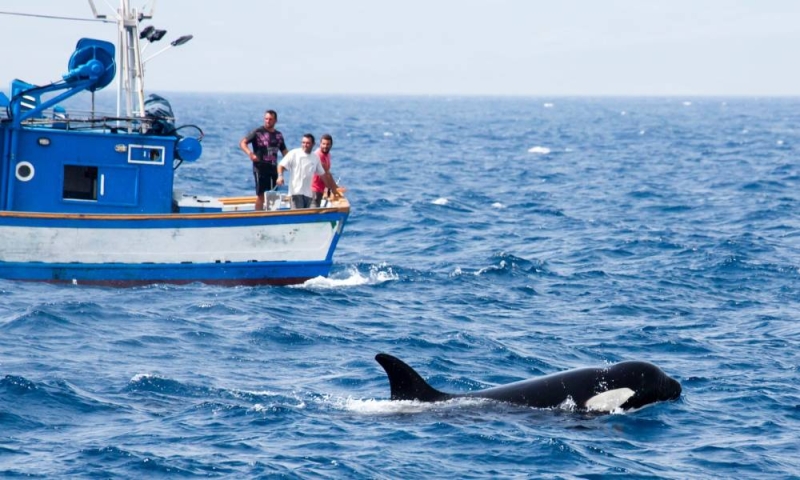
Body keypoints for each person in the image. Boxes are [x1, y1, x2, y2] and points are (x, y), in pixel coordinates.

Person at [239, 110, 287, 210]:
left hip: (273, 169)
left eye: (270, 119)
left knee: (273, 195)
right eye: (266, 119)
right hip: (260, 168)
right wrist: (250, 154)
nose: (268, 121)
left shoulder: (279, 135)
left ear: (275, 121)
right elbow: (243, 143)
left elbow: (284, 151)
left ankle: (272, 216)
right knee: (261, 195)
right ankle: (258, 216)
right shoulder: (257, 132)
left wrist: (290, 163)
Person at [277, 134, 338, 209]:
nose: (305, 145)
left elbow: (323, 174)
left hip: (309, 194)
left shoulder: (315, 157)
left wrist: (329, 187)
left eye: (308, 143)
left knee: (310, 216)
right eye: (303, 142)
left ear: (313, 144)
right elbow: (281, 165)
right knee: (298, 216)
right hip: (296, 192)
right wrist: (280, 176)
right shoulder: (294, 153)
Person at [311, 133, 340, 208]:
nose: (325, 146)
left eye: (328, 144)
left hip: (320, 189)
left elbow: (328, 173)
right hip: (313, 189)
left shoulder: (327, 154)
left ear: (331, 145)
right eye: (323, 144)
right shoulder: (318, 155)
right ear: (320, 144)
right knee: (313, 212)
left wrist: (335, 187)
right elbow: (326, 174)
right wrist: (334, 189)